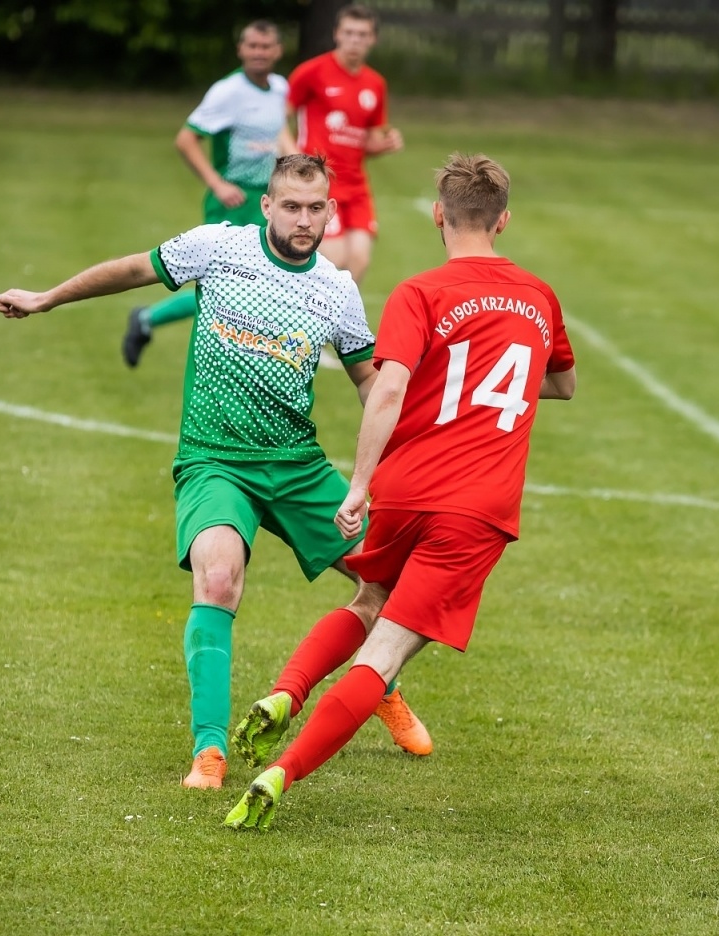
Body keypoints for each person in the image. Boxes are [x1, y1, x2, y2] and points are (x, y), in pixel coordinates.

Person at [0, 154, 430, 791]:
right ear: (267, 206)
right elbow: (134, 269)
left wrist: (399, 455)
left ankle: (380, 680)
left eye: (316, 209)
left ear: (331, 212)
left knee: (386, 584)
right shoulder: (217, 249)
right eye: (291, 206)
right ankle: (209, 753)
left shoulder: (337, 288)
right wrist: (49, 297)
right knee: (220, 577)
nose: (303, 220)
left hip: (297, 465)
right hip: (216, 459)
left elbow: (371, 382)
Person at [225, 153, 577, 830]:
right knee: (382, 656)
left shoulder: (420, 292)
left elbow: (389, 385)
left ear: (439, 216)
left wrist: (359, 484)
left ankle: (284, 695)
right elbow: (561, 382)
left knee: (369, 599)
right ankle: (281, 773)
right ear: (503, 220)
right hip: (476, 507)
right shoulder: (538, 296)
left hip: (408, 487)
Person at [121, 21, 294, 368]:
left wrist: (296, 169)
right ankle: (149, 320)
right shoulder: (227, 91)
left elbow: (281, 134)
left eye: (266, 46)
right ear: (240, 50)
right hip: (233, 200)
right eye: (253, 46)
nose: (259, 53)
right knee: (223, 284)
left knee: (262, 285)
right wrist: (217, 184)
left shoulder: (279, 88)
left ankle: (250, 353)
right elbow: (185, 139)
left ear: (278, 51)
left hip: (269, 200)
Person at [286, 4, 404, 286]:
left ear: (372, 39)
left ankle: (335, 326)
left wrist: (385, 145)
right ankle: (316, 324)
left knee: (359, 261)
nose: (355, 40)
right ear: (337, 34)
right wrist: (294, 160)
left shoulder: (375, 84)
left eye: (362, 34)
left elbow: (365, 142)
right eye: (349, 33)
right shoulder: (312, 72)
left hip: (357, 185)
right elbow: (279, 118)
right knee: (334, 261)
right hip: (322, 182)